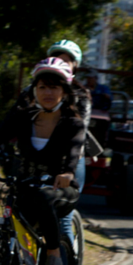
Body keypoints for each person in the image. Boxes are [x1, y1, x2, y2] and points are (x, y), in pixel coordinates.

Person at [0, 57, 85, 265]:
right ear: (34, 90)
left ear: (64, 91)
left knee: (45, 197)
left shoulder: (73, 123)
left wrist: (67, 172)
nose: (48, 92)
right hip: (25, 186)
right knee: (10, 222)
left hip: (59, 189)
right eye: (42, 87)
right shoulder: (23, 117)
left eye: (54, 87)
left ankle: (53, 253)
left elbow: (74, 152)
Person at [47, 39, 97, 248]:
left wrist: (68, 168)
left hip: (70, 158)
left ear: (75, 66)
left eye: (66, 61)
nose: (61, 63)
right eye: (57, 59)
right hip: (41, 158)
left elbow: (79, 131)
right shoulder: (36, 89)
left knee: (63, 220)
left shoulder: (80, 94)